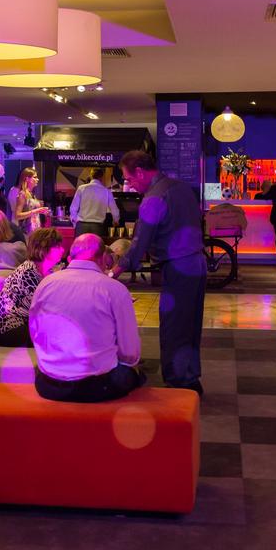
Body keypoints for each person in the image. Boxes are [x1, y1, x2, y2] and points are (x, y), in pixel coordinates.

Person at [110, 151, 206, 394]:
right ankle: (190, 377)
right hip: (197, 262)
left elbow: (139, 243)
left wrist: (113, 272)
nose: (130, 185)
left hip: (178, 267)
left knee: (173, 327)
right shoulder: (181, 188)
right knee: (190, 325)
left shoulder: (153, 198)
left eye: (129, 179)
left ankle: (179, 383)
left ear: (140, 172)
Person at [30, 234, 145, 402]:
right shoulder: (115, 289)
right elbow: (130, 354)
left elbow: (35, 332)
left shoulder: (45, 284)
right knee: (136, 374)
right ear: (104, 258)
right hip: (96, 387)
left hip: (49, 385)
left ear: (70, 258)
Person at [0, 228, 65, 347]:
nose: (62, 249)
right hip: (7, 328)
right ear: (42, 249)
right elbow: (40, 311)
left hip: (23, 322)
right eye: (57, 246)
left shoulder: (43, 270)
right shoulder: (29, 273)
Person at [70, 167, 119, 239]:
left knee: (80, 246)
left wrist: (75, 222)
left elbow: (73, 208)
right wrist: (116, 220)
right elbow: (114, 210)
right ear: (101, 177)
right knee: (96, 246)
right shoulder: (106, 191)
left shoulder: (81, 188)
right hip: (98, 227)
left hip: (82, 226)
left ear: (91, 176)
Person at [9, 168, 47, 234]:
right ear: (27, 179)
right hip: (26, 231)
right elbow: (17, 215)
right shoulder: (22, 194)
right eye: (35, 177)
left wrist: (41, 210)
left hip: (34, 229)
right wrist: (36, 211)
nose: (37, 179)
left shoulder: (31, 194)